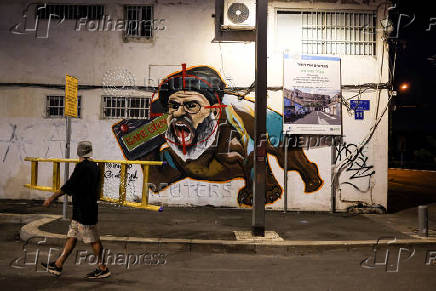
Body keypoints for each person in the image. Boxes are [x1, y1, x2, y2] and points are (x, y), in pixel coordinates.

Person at [42, 141, 110, 279]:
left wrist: (51, 198)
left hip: (85, 210)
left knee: (93, 239)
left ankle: (102, 268)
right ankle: (58, 264)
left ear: (78, 152)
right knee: (71, 236)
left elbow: (69, 186)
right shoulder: (95, 167)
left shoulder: (81, 167)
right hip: (81, 209)